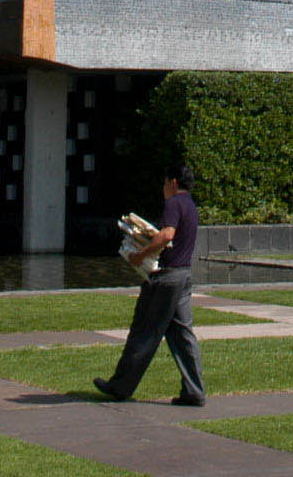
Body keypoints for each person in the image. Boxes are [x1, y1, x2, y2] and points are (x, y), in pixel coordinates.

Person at [93, 165, 206, 407]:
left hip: (165, 278)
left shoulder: (174, 204)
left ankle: (120, 386)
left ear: (173, 182)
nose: (164, 187)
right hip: (184, 276)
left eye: (165, 182)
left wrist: (140, 254)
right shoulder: (192, 206)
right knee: (183, 336)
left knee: (144, 331)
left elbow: (167, 235)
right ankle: (194, 391)